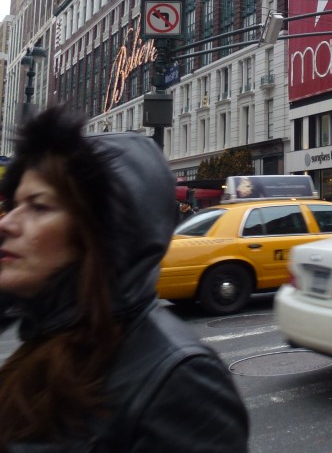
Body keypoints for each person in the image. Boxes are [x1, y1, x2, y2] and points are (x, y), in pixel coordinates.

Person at [0, 106, 249, 451]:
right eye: (14, 205)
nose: (7, 223)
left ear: (100, 233)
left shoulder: (181, 380)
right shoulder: (44, 336)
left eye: (39, 206)